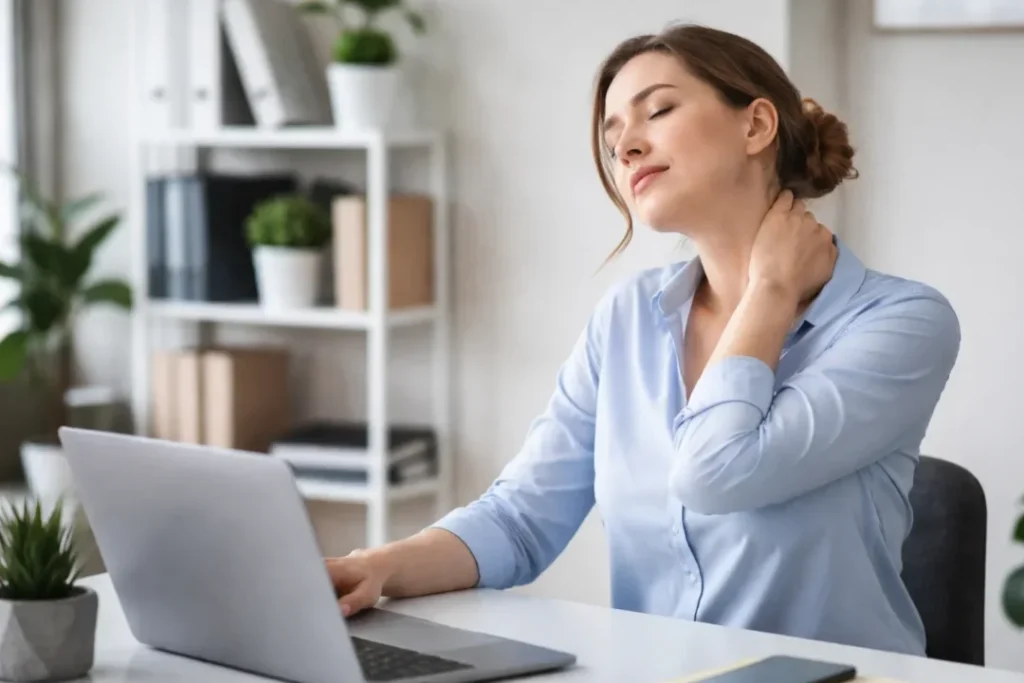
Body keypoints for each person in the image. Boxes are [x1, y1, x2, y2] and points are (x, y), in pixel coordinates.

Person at [323, 24, 960, 656]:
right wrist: (377, 567)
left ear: (756, 126)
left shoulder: (901, 321)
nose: (626, 148)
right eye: (612, 139)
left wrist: (770, 289)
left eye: (657, 111)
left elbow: (715, 474)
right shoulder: (627, 317)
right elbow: (520, 519)